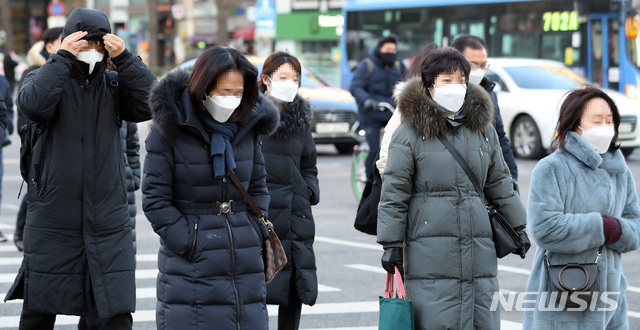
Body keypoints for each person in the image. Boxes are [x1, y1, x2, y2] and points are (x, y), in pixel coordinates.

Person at [4, 7, 156, 329]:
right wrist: (62, 58)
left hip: (107, 219)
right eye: (83, 43)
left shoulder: (114, 83)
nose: (91, 50)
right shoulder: (43, 76)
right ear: (67, 42)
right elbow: (32, 105)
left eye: (98, 43)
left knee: (112, 312)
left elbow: (151, 102)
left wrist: (126, 58)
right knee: (40, 308)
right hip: (54, 217)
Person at [376, 47, 528, 329]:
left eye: (461, 79)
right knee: (438, 319)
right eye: (446, 80)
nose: (455, 86)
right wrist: (392, 243)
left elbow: (499, 181)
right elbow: (394, 193)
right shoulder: (408, 133)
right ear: (430, 84)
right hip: (429, 247)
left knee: (479, 316)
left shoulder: (483, 130)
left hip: (478, 244)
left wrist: (518, 225)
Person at [142, 46, 279, 329]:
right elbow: (155, 199)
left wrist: (252, 230)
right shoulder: (170, 127)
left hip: (244, 259)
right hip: (190, 266)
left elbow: (259, 186)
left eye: (237, 92)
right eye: (224, 91)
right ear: (203, 87)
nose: (231, 99)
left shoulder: (247, 126)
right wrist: (190, 241)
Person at [523, 87, 640, 329]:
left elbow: (635, 229)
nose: (605, 126)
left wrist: (616, 229)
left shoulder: (620, 171)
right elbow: (545, 228)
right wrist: (602, 227)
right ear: (576, 124)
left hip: (611, 301)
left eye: (609, 120)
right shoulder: (552, 168)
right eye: (597, 120)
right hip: (562, 296)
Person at [258, 51, 319, 330]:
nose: (290, 83)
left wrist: (308, 190)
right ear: (266, 79)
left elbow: (309, 164)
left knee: (293, 287)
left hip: (295, 215)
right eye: (283, 77)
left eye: (295, 78)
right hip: (261, 215)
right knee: (254, 288)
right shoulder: (249, 117)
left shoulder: (301, 119)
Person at [13, 26, 63, 252]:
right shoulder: (35, 72)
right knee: (35, 190)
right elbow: (26, 110)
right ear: (49, 46)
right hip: (37, 144)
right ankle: (20, 230)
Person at [452, 35, 518, 185]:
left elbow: (500, 137)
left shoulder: (489, 94)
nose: (479, 71)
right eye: (473, 65)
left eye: (483, 65)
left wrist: (512, 175)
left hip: (487, 180)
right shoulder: (447, 94)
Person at [349, 35, 406, 177]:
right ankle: (370, 182)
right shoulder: (366, 65)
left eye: (394, 49)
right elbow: (355, 87)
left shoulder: (398, 65)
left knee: (398, 148)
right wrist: (367, 101)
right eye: (387, 49)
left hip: (391, 112)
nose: (391, 52)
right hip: (370, 114)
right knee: (374, 150)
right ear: (380, 49)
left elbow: (408, 83)